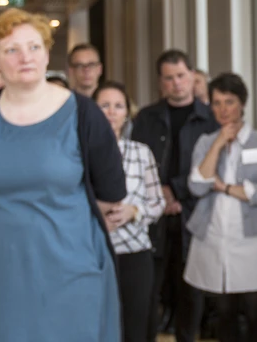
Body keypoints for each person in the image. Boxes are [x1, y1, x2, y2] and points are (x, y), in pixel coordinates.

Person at [0, 8, 126, 341]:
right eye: (11, 50)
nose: (24, 58)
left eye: (33, 47)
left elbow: (111, 196)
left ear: (47, 54)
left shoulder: (84, 114)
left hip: (69, 275)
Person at [131, 49, 218, 342]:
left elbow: (214, 165)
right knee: (149, 293)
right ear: (160, 82)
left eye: (181, 76)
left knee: (190, 296)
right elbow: (137, 163)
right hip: (152, 218)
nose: (176, 83)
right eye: (169, 78)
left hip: (194, 215)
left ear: (193, 75)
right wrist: (160, 195)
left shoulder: (210, 119)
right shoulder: (146, 118)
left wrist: (177, 190)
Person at [184, 72, 257, 342]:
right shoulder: (205, 142)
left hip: (251, 241)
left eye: (229, 102)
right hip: (214, 239)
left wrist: (224, 187)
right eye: (216, 103)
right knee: (223, 311)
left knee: (255, 309)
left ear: (242, 104)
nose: (222, 110)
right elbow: (198, 186)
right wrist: (218, 143)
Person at [94, 80, 166, 342]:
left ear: (127, 112)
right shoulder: (78, 153)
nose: (111, 112)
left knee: (135, 330)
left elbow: (157, 203)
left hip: (135, 255)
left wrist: (134, 212)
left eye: (118, 106)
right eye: (104, 105)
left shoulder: (141, 153)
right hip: (93, 254)